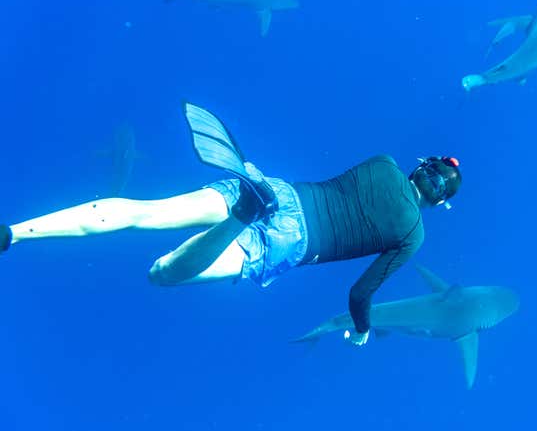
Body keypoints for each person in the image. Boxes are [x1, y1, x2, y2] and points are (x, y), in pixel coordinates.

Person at [0, 103, 462, 346]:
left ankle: (14, 233)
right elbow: (359, 295)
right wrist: (362, 331)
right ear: (439, 205)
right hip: (295, 243)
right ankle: (240, 218)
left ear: (420, 166)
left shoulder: (383, 162)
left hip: (280, 191)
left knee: (145, 211)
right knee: (161, 272)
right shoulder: (413, 235)